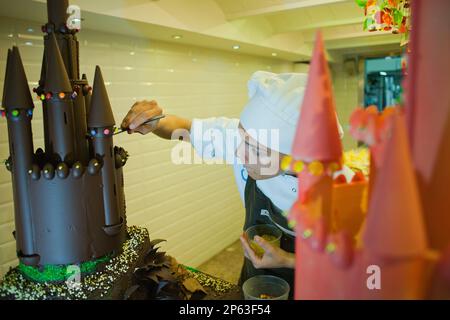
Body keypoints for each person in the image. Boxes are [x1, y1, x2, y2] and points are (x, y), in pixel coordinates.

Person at [121, 71, 351, 295]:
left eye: (257, 150)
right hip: (253, 284)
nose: (241, 153)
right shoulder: (251, 137)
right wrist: (154, 121)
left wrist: (289, 260)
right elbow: (186, 128)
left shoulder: (346, 190)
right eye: (241, 139)